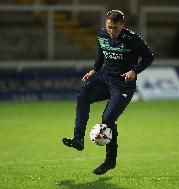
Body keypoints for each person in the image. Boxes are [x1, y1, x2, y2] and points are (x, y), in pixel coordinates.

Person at [62, 10, 154, 175]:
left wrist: (135, 70)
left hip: (123, 85)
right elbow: (101, 55)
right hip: (105, 80)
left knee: (107, 119)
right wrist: (94, 70)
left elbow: (149, 57)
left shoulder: (132, 39)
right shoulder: (102, 35)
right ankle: (78, 139)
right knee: (82, 95)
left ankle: (110, 161)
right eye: (109, 27)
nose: (111, 31)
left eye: (115, 28)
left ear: (122, 25)